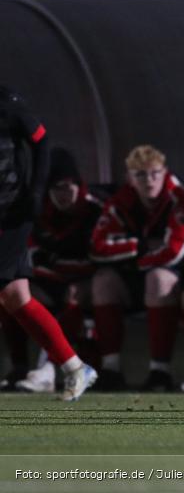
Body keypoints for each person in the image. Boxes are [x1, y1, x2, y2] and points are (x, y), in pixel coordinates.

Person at [0, 85, 96, 401]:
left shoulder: (8, 104)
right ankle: (74, 367)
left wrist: (36, 192)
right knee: (15, 296)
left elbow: (41, 142)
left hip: (12, 211)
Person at [90, 145, 184, 391]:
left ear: (164, 172)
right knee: (103, 281)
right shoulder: (121, 200)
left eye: (154, 173)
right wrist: (139, 246)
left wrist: (133, 259)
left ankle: (159, 371)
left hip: (180, 280)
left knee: (159, 279)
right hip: (136, 276)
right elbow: (97, 247)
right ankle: (110, 369)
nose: (149, 180)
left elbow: (174, 252)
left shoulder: (181, 198)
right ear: (129, 178)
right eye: (140, 174)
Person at [12, 148, 105, 392]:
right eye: (56, 188)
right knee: (10, 293)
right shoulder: (38, 210)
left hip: (86, 281)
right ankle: (20, 368)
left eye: (68, 186)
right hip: (50, 280)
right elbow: (32, 254)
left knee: (72, 295)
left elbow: (100, 257)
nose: (64, 194)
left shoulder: (96, 210)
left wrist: (53, 263)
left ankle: (52, 368)